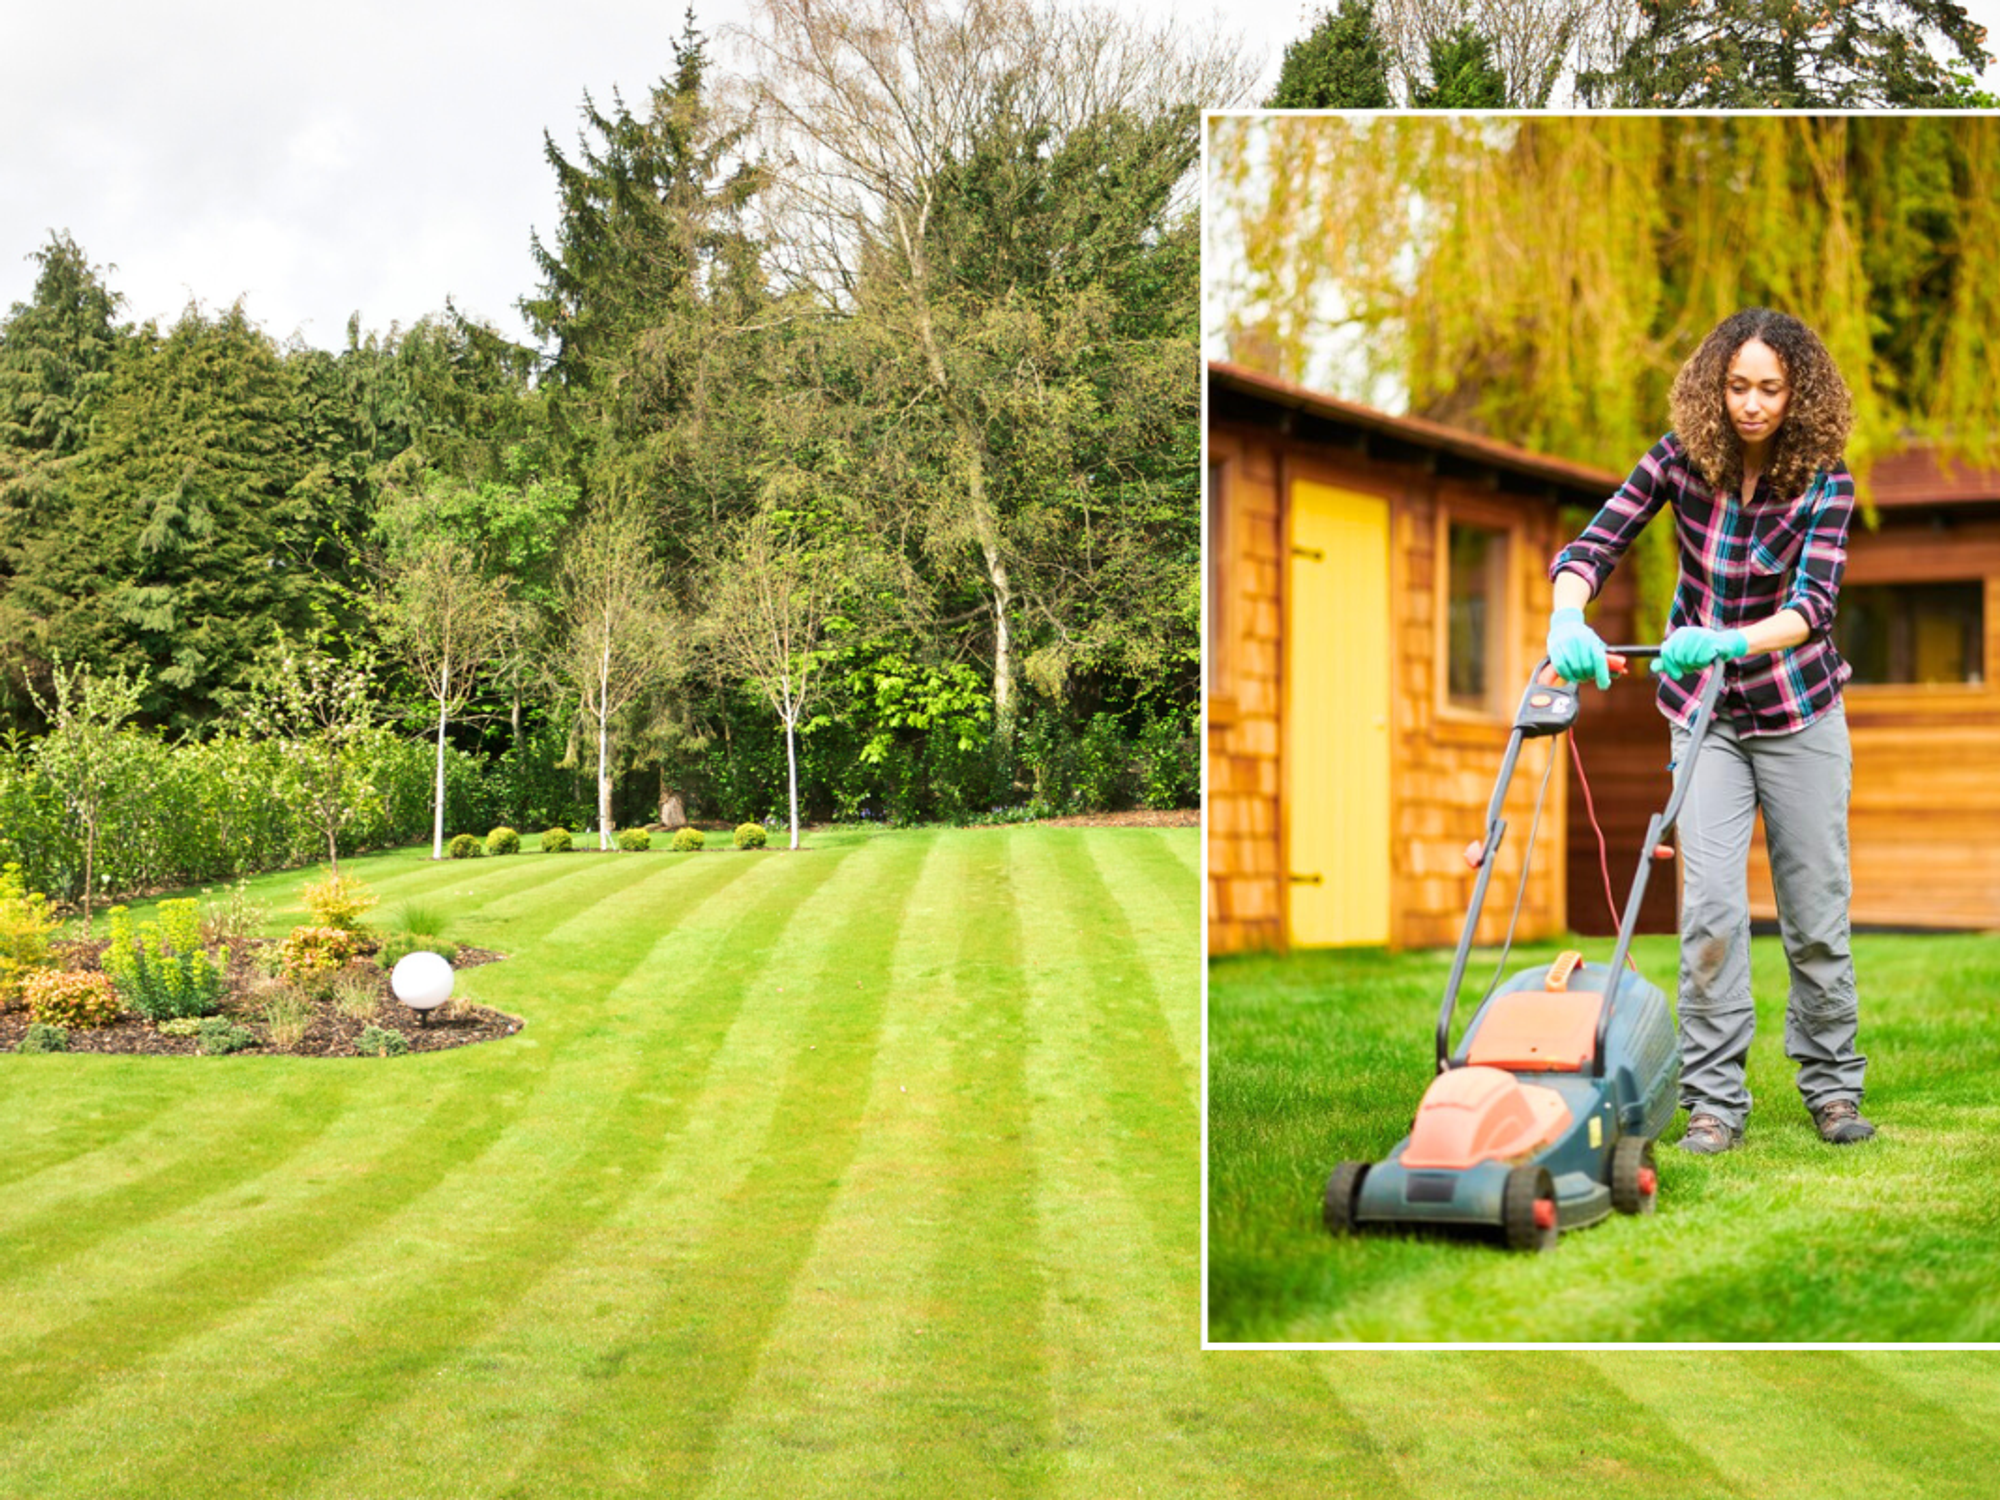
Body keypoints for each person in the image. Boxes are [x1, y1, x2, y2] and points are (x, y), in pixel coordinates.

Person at [1543, 308, 1873, 1154]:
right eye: (1737, 386)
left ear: (1798, 392)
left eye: (1769, 387)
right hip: (1707, 718)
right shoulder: (1678, 460)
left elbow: (1814, 608)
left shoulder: (1826, 482)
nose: (1752, 404)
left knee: (1814, 915)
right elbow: (1597, 541)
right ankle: (1714, 1103)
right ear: (1712, 388)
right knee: (1712, 914)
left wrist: (1731, 637)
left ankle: (1833, 1090)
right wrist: (1566, 615)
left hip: (1799, 712)